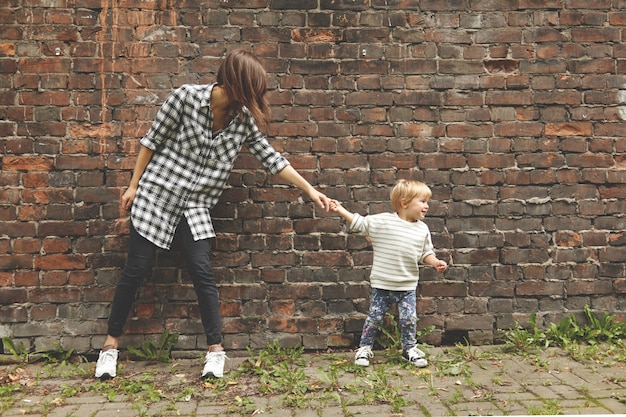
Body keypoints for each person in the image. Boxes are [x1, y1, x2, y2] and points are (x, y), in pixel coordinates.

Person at [95, 49, 330, 380]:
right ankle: (109, 348)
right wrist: (133, 186)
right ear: (237, 82)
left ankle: (215, 352)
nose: (256, 99)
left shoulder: (243, 121)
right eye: (253, 90)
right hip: (156, 196)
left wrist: (310, 189)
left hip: (195, 207)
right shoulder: (185, 98)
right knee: (137, 269)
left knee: (202, 270)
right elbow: (151, 141)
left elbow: (272, 159)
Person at [328, 180, 447, 368]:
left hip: (407, 285)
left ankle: (409, 349)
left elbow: (425, 253)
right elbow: (360, 223)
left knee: (408, 319)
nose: (427, 206)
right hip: (382, 284)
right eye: (422, 201)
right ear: (404, 202)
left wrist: (435, 263)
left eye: (427, 202)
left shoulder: (422, 229)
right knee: (374, 318)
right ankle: (364, 348)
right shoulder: (383, 221)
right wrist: (340, 209)